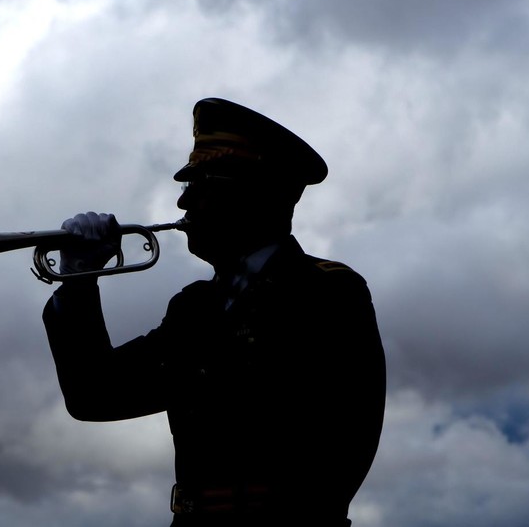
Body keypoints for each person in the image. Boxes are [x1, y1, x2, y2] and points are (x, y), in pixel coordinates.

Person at [42, 98, 386, 526]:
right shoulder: (193, 307)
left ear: (255, 193)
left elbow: (348, 441)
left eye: (202, 184)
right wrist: (78, 280)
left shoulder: (327, 291)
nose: (184, 203)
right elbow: (96, 395)